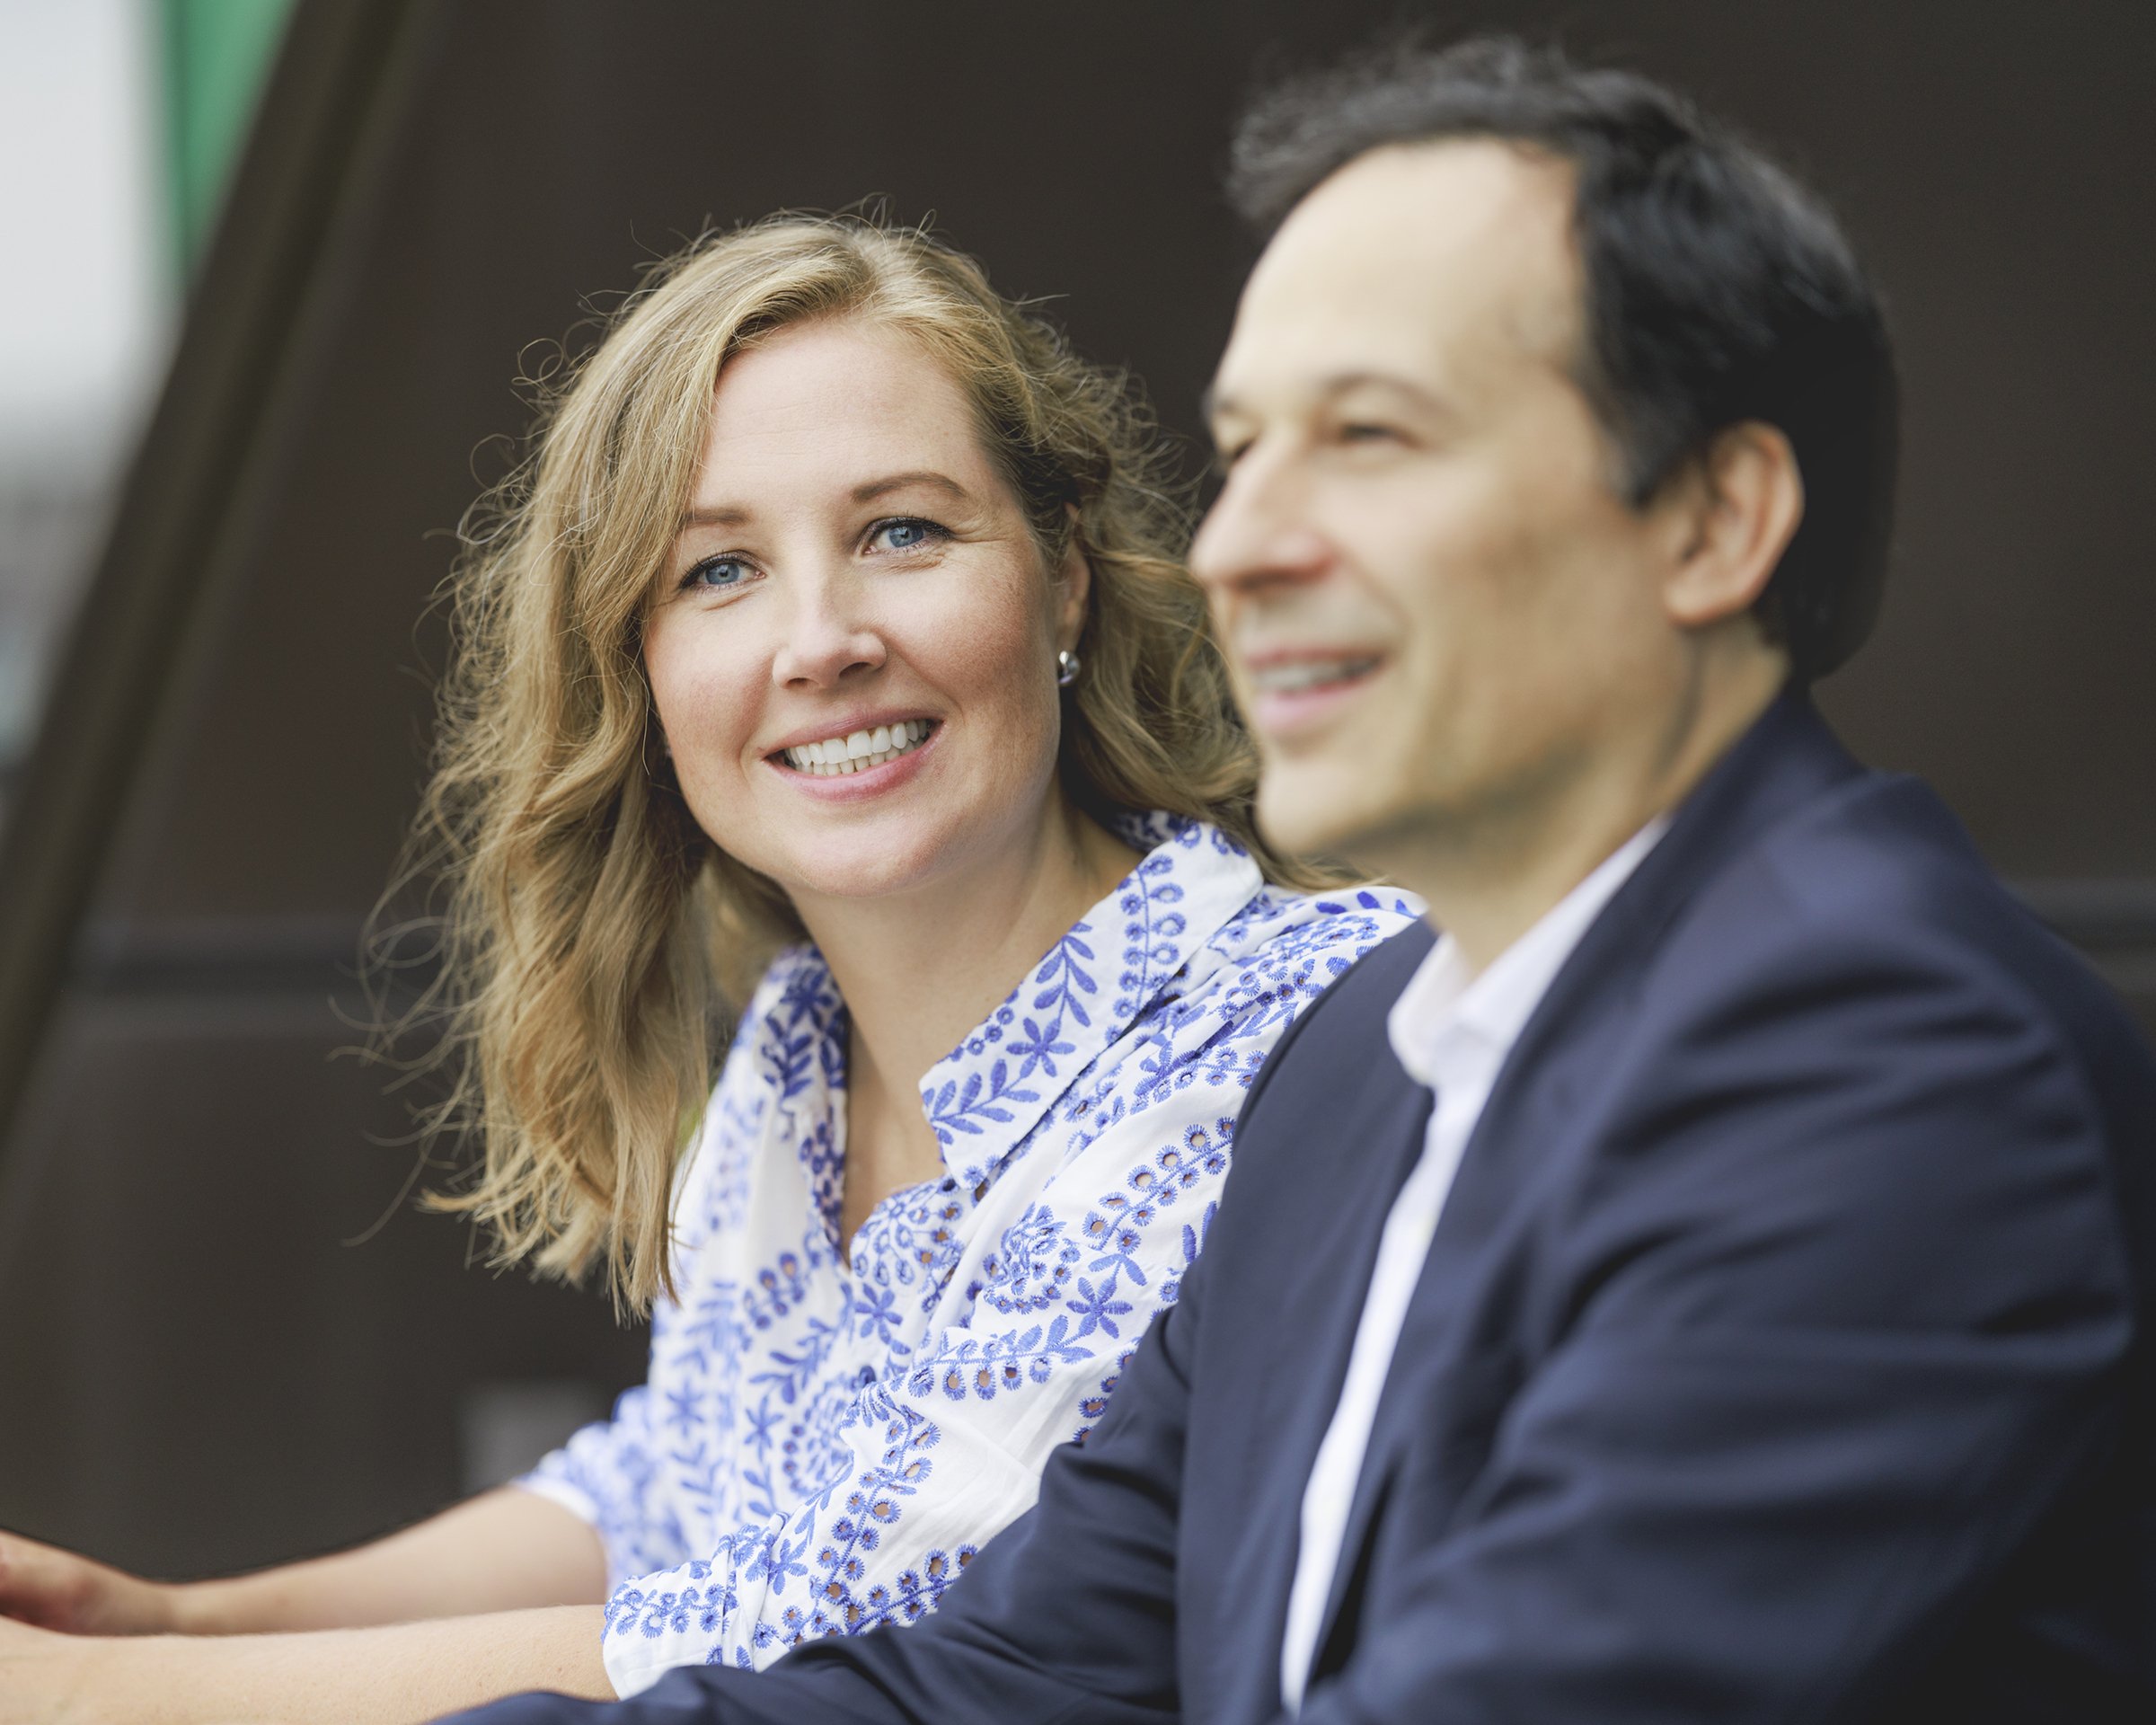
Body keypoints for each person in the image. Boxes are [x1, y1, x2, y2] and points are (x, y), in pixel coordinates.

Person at [433, 34, 2156, 1725]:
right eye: (1248, 447)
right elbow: (1011, 1676)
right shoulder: (1361, 1071)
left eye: (1375, 437)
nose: (1244, 539)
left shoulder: (1895, 1071)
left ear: (1713, 521)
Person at [0, 216, 1418, 1721]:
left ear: (1061, 578)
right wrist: (174, 1616)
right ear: (642, 673)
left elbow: (832, 1624)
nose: (821, 641)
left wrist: (99, 1698)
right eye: (721, 569)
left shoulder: (1288, 1036)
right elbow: (673, 1487)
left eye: (904, 533)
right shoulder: (797, 1059)